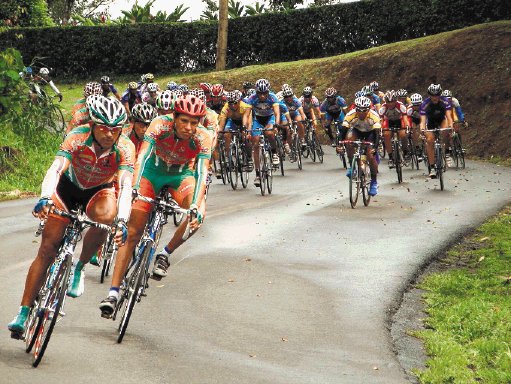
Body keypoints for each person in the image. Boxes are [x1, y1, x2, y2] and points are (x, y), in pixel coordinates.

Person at [8, 97, 135, 336]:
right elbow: (57, 167)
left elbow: (126, 186)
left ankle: (80, 266)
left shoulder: (126, 148)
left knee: (107, 217)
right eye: (104, 128)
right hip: (67, 188)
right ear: (93, 125)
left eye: (115, 130)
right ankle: (23, 312)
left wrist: (122, 221)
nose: (109, 134)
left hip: (99, 191)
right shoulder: (77, 136)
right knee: (47, 250)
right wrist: (45, 197)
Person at [99, 95, 212, 317]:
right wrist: (133, 188)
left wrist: (196, 206)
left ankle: (165, 253)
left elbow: (202, 171)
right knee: (133, 231)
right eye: (184, 121)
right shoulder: (160, 124)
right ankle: (113, 292)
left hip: (181, 176)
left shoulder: (203, 136)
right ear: (174, 117)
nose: (189, 128)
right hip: (151, 173)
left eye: (194, 123)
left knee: (199, 215)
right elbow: (142, 156)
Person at [242, 78, 280, 187]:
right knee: (256, 144)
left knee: (269, 133)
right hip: (257, 119)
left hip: (269, 118)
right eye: (260, 93)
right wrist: (245, 126)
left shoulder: (273, 97)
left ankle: (274, 153)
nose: (262, 96)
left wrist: (276, 124)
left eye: (264, 93)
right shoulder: (252, 98)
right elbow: (246, 114)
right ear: (256, 92)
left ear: (268, 91)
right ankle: (258, 174)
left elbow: (277, 113)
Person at [343, 96, 382, 196]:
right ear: (356, 109)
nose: (361, 113)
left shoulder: (374, 116)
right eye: (359, 110)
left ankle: (374, 182)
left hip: (371, 133)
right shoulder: (350, 114)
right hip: (357, 131)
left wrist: (375, 148)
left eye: (364, 110)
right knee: (349, 141)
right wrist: (340, 144)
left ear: (368, 109)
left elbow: (377, 134)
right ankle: (352, 167)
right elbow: (343, 131)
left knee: (370, 155)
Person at [419, 84, 454, 178]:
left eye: (437, 95)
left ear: (440, 95)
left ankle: (446, 151)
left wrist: (451, 126)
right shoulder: (425, 104)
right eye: (432, 95)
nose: (435, 98)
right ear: (429, 95)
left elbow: (449, 117)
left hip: (441, 120)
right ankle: (432, 167)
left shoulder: (445, 101)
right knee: (430, 140)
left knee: (446, 131)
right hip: (430, 122)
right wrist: (422, 129)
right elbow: (422, 121)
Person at [379, 90, 409, 168]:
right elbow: (381, 121)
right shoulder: (383, 108)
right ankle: (390, 157)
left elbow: (405, 118)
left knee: (403, 134)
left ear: (396, 101)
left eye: (392, 102)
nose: (390, 104)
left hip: (399, 120)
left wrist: (407, 126)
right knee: (386, 135)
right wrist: (380, 129)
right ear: (385, 102)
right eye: (388, 102)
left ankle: (405, 152)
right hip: (388, 121)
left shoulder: (401, 106)